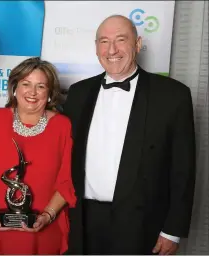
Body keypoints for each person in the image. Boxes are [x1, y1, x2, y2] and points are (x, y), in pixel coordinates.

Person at [63, 15, 196, 255]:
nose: (111, 49)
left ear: (137, 44)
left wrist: (172, 230)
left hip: (142, 223)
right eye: (104, 41)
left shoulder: (173, 96)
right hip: (81, 220)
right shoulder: (77, 93)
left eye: (120, 40)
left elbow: (183, 170)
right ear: (96, 48)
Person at [0, 57, 76, 254]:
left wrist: (47, 215)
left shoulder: (62, 126)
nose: (32, 93)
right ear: (14, 88)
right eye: (26, 84)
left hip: (45, 231)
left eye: (41, 86)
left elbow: (66, 181)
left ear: (50, 93)